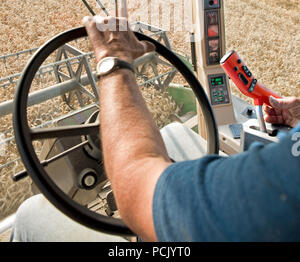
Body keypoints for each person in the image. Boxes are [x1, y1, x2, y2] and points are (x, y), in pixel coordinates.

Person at [11, 16, 300, 242]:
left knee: (31, 215)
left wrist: (114, 61)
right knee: (173, 132)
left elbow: (136, 188)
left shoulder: (283, 179)